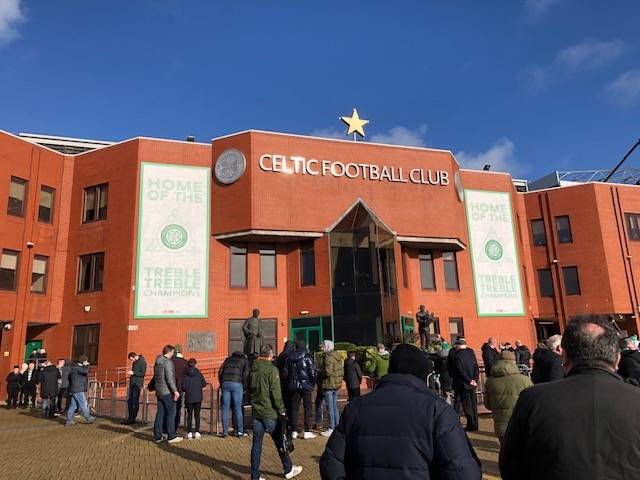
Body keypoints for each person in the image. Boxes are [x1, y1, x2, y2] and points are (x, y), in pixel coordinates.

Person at [500, 315, 640, 479]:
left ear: (564, 356)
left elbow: (511, 466)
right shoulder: (635, 398)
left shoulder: (533, 400)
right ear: (617, 358)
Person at [320, 343, 481, 479]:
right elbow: (464, 472)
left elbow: (331, 463)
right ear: (423, 374)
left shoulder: (355, 408)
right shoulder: (438, 411)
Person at [250, 345, 303, 480]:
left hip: (257, 411)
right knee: (280, 440)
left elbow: (249, 389)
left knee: (256, 445)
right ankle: (288, 468)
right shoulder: (271, 369)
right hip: (269, 412)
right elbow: (276, 392)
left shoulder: (253, 368)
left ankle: (254, 475)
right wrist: (281, 409)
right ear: (270, 355)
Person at [483, 350, 532, 444]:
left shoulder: (490, 381)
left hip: (501, 426)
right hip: (521, 425)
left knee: (505, 450)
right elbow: (532, 403)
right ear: (514, 362)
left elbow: (488, 405)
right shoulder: (524, 380)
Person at [287, 339, 317, 440]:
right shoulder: (307, 357)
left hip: (294, 385)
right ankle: (307, 431)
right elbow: (312, 372)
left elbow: (286, 372)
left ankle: (294, 431)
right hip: (306, 386)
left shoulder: (289, 357)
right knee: (307, 408)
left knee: (294, 408)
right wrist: (312, 384)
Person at [153, 345, 182, 443]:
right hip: (167, 392)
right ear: (169, 352)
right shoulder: (168, 362)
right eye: (173, 352)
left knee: (160, 414)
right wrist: (175, 391)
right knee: (171, 413)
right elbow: (170, 378)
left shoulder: (157, 362)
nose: (173, 354)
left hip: (159, 391)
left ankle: (157, 436)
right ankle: (171, 436)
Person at [218, 351, 250, 437]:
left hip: (225, 383)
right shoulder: (244, 360)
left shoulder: (227, 360)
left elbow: (220, 371)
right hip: (237, 383)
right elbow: (246, 374)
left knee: (225, 408)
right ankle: (240, 431)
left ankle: (225, 432)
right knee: (237, 408)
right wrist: (244, 385)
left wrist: (222, 383)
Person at [450, 338, 479, 431]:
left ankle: (471, 425)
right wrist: (475, 380)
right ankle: (475, 423)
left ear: (458, 345)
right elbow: (476, 367)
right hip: (472, 383)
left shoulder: (457, 355)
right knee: (473, 404)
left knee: (467, 405)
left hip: (464, 383)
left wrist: (469, 380)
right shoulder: (471, 353)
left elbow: (460, 371)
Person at [318, 340, 344, 437]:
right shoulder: (337, 356)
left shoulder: (328, 357)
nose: (322, 348)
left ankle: (331, 428)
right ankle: (337, 426)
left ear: (327, 346)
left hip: (329, 385)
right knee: (335, 407)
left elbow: (327, 372)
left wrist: (319, 372)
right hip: (335, 385)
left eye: (323, 346)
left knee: (330, 408)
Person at [65, 355, 96, 426]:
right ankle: (88, 418)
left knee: (73, 406)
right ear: (83, 361)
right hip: (78, 389)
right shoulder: (78, 368)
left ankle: (69, 420)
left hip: (74, 388)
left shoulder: (74, 368)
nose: (87, 362)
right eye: (86, 361)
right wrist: (87, 366)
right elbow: (86, 372)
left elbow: (69, 378)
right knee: (83, 404)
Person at [182, 358, 206, 439]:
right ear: (195, 364)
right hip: (198, 397)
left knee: (189, 415)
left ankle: (189, 432)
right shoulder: (199, 373)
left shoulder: (185, 375)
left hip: (189, 397)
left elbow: (183, 387)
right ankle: (197, 432)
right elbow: (204, 383)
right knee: (197, 415)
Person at [124, 352, 147, 424]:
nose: (132, 361)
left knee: (135, 401)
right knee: (130, 401)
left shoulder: (142, 362)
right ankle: (130, 417)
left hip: (137, 384)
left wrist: (133, 373)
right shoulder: (135, 362)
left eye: (132, 359)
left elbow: (143, 373)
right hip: (132, 384)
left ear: (134, 356)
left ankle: (133, 418)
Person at [276, 340, 294, 424]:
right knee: (289, 403)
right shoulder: (289, 356)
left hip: (280, 381)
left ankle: (282, 420)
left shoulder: (281, 355)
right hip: (287, 381)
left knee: (283, 401)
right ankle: (288, 420)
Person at [171, 345, 188, 432]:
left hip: (170, 388)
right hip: (180, 388)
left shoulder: (170, 361)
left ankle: (167, 426)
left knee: (169, 408)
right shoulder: (185, 362)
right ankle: (175, 426)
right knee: (178, 407)